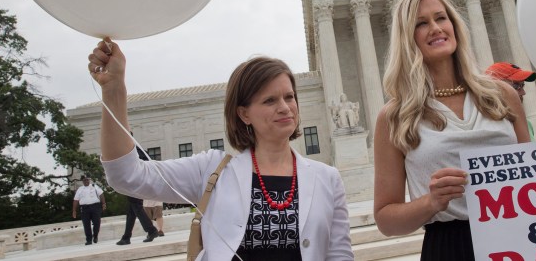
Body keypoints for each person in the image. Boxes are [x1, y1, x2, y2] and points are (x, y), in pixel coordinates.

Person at [373, 0, 536, 260]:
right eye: (421, 23)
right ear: (407, 37)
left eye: (441, 18)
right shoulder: (395, 116)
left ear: (454, 25)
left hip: (517, 238)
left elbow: (529, 176)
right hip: (452, 247)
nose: (436, 28)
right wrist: (431, 202)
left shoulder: (502, 95)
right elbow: (385, 220)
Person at [89, 40, 353, 260]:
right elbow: (126, 176)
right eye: (270, 100)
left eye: (289, 96)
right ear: (244, 114)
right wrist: (114, 90)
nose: (285, 107)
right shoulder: (212, 171)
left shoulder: (327, 179)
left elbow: (339, 255)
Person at [116, 145, 159, 245]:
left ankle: (151, 230)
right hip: (138, 181)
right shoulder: (137, 149)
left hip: (134, 182)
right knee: (132, 210)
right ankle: (126, 237)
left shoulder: (130, 151)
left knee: (136, 206)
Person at [72, 175, 106, 245]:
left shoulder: (94, 186)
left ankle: (95, 236)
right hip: (84, 208)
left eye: (87, 180)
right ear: (83, 181)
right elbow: (76, 200)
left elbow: (101, 194)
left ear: (89, 180)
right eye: (84, 180)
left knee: (97, 223)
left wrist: (103, 204)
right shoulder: (80, 189)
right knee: (86, 224)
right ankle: (89, 240)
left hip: (95, 207)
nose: (86, 181)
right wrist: (74, 210)